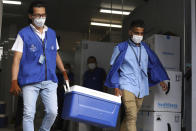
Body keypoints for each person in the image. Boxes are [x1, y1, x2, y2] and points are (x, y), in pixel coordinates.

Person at [9, 1, 69, 131]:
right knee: (29, 114)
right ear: (30, 16)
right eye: (37, 15)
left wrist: (63, 71)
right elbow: (17, 59)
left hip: (50, 80)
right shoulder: (23, 34)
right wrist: (14, 80)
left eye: (43, 15)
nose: (41, 18)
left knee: (53, 112)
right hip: (30, 80)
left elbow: (56, 54)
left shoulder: (52, 33)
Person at [104, 19, 169, 131]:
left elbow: (152, 65)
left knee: (130, 117)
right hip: (126, 84)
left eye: (141, 33)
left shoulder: (145, 48)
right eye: (136, 33)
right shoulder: (121, 47)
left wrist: (160, 80)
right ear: (130, 32)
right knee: (132, 115)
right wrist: (116, 86)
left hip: (141, 87)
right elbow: (114, 68)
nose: (139, 36)